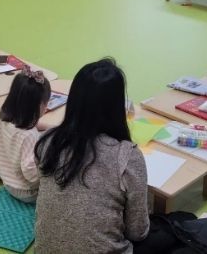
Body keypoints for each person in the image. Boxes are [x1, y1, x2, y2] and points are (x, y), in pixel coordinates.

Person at [34, 59, 149, 253]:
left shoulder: (48, 141)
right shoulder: (127, 156)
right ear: (116, 106)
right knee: (172, 229)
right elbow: (137, 232)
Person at [0, 67, 51, 201]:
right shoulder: (29, 135)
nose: (47, 107)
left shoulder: (6, 119)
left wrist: (49, 128)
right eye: (46, 103)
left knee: (19, 153)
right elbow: (31, 175)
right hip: (27, 192)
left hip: (7, 176)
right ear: (38, 106)